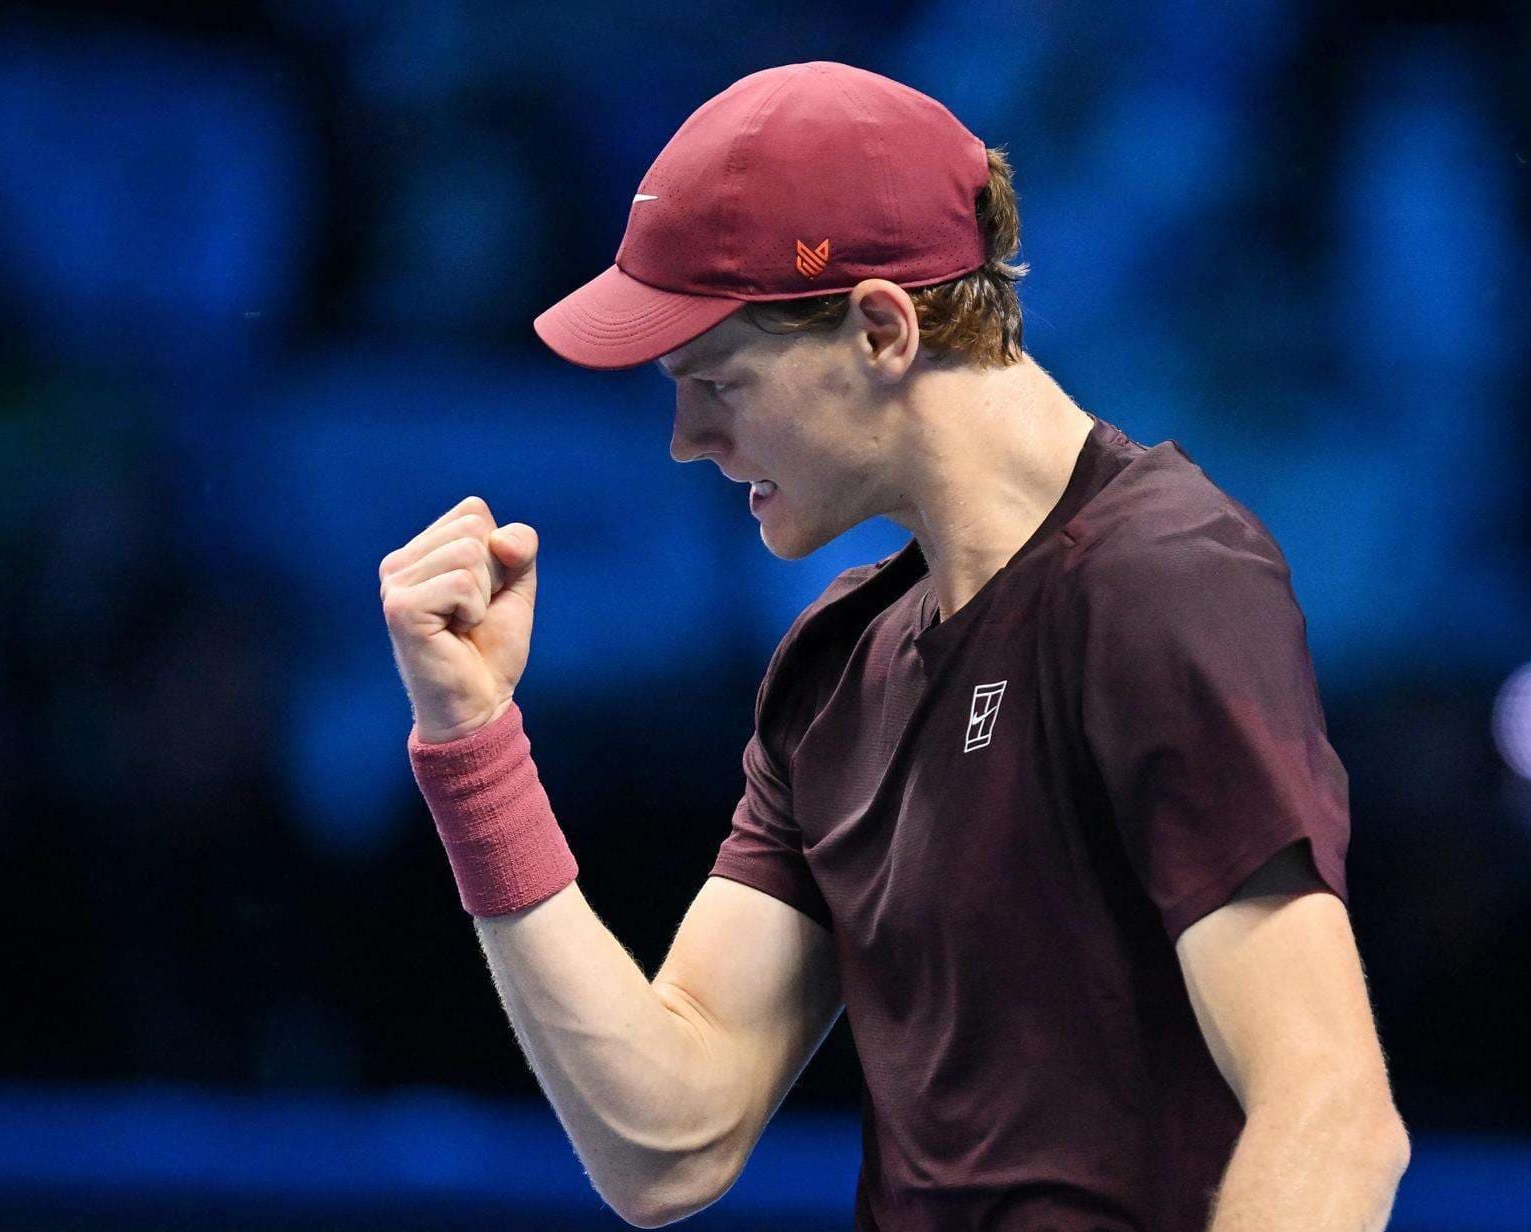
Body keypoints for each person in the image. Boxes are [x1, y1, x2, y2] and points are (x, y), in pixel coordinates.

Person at [378, 61, 1408, 1231]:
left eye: (714, 381)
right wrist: (473, 744)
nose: (684, 439)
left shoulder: (1160, 581)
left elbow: (1331, 1114)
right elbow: (666, 1138)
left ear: (880, 327)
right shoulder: (837, 664)